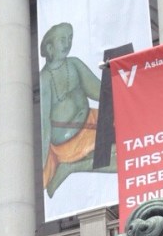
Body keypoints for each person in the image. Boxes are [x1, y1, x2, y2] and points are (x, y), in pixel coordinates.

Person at [39, 22, 111, 197]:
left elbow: (99, 91)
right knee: (120, 154)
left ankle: (72, 167)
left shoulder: (74, 64)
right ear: (49, 47)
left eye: (70, 38)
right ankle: (68, 167)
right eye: (62, 39)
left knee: (132, 145)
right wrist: (43, 165)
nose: (67, 43)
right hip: (69, 140)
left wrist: (117, 71)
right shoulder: (45, 79)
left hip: (92, 121)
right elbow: (44, 125)